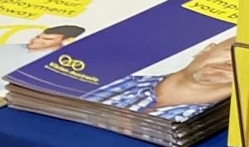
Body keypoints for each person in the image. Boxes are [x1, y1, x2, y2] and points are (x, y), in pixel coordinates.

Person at [91, 35, 235, 123]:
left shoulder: (213, 122)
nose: (232, 62)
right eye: (231, 51)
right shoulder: (118, 80)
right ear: (205, 50)